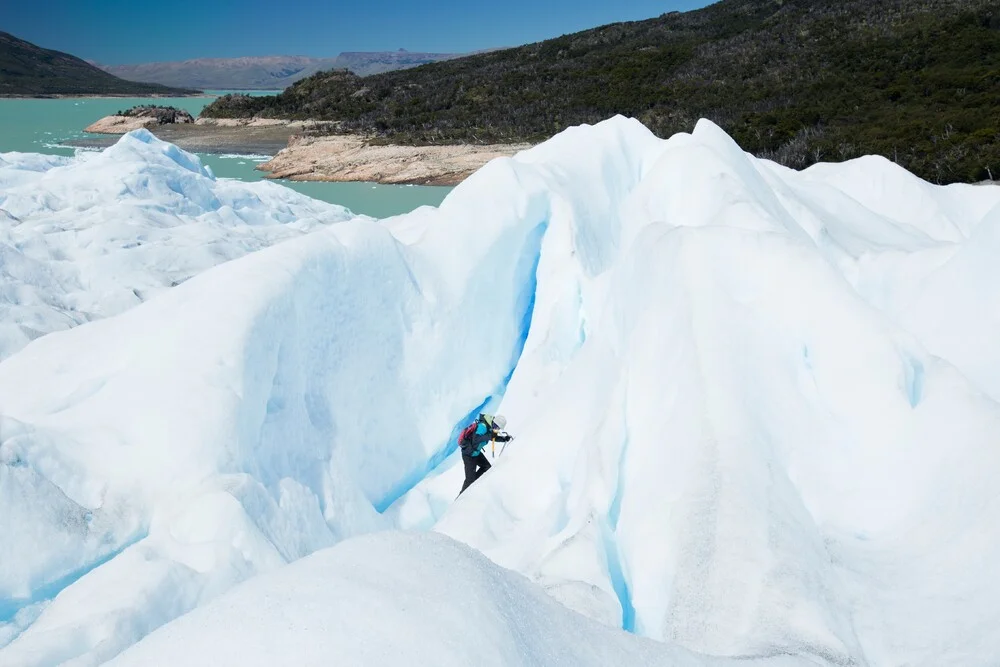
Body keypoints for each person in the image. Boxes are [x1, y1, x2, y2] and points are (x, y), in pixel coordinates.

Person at [458, 413, 512, 495]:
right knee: (469, 480)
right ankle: (461, 497)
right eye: (496, 426)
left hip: (476, 453)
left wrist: (504, 439)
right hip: (469, 455)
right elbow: (476, 439)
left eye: (498, 428)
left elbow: (492, 437)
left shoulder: (490, 427)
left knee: (486, 467)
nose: (496, 429)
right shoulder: (482, 426)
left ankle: (473, 485)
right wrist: (490, 436)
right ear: (493, 422)